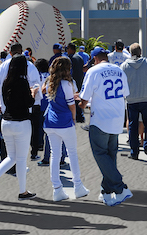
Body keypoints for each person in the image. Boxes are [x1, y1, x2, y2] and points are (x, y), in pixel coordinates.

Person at [78, 47, 132, 206]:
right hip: (117, 118)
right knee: (110, 156)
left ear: (94, 58)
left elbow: (83, 100)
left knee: (100, 154)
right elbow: (125, 93)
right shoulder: (119, 70)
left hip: (100, 119)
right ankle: (107, 191)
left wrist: (77, 104)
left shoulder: (93, 71)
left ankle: (121, 188)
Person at [0, 55, 39, 202]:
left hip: (6, 121)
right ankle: (22, 191)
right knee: (20, 159)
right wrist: (33, 92)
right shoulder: (23, 82)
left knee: (11, 157)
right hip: (21, 122)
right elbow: (29, 103)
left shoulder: (6, 82)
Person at [42, 57, 89, 201]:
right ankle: (78, 186)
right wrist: (74, 119)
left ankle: (57, 189)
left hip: (50, 122)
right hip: (64, 122)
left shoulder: (49, 82)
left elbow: (46, 92)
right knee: (72, 154)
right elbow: (71, 105)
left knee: (54, 155)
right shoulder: (66, 84)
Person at [120, 43, 147, 163]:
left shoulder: (124, 65)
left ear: (130, 53)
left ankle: (134, 152)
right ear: (140, 52)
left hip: (131, 99)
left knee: (133, 125)